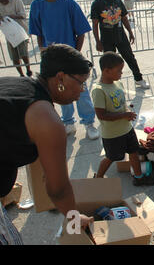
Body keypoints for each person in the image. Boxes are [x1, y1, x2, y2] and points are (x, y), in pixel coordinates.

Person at [0, 44, 95, 245]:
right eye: (81, 83)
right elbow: (58, 188)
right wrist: (74, 219)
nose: (82, 90)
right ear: (60, 78)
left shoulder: (20, 87)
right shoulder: (47, 120)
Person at [29, 0, 99, 140]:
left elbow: (81, 32)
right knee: (57, 90)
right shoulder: (36, 6)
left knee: (80, 90)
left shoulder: (69, 4)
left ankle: (89, 122)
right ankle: (67, 121)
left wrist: (75, 53)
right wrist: (43, 51)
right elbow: (38, 34)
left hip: (70, 57)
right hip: (50, 59)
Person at [92, 52, 154, 186]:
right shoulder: (99, 90)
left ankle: (139, 177)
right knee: (112, 157)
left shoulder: (118, 84)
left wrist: (128, 111)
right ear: (106, 71)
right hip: (113, 134)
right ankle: (97, 178)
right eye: (119, 71)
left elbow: (122, 105)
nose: (121, 74)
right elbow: (101, 115)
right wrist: (124, 115)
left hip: (127, 129)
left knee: (134, 152)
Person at [91, 0, 149, 90]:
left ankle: (138, 79)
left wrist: (130, 32)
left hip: (120, 35)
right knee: (109, 62)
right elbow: (95, 25)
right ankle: (111, 83)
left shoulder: (118, 1)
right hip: (107, 38)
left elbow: (124, 18)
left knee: (130, 58)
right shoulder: (97, 4)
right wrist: (98, 41)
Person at [0, 0, 32, 77]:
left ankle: (29, 71)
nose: (4, 2)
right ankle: (21, 75)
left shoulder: (16, 0)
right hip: (9, 34)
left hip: (21, 31)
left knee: (23, 53)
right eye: (1, 1)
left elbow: (23, 15)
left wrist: (11, 16)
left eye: (5, 0)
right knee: (14, 56)